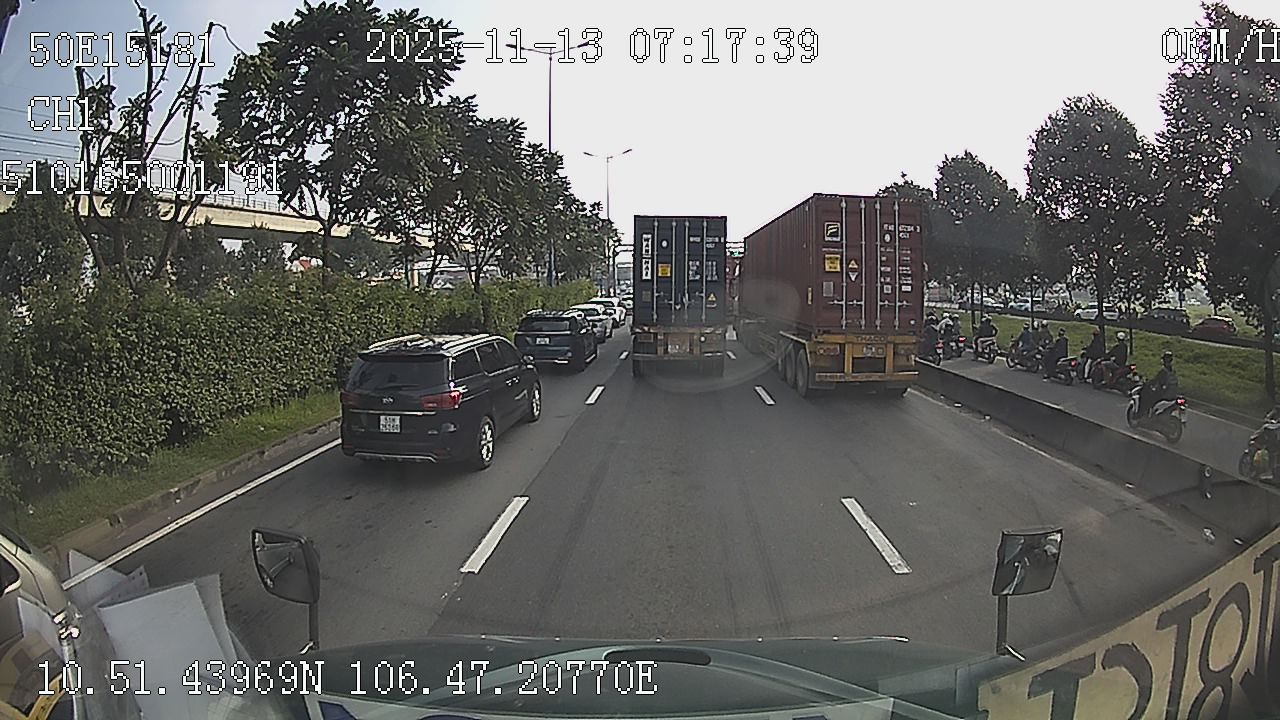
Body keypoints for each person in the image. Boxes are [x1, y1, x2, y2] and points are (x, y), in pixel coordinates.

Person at [1137, 350, 1179, 418]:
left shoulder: (1164, 371)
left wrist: (1148, 383)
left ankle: (1143, 415)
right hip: (1173, 394)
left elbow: (1155, 381)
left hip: (1164, 394)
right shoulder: (1173, 371)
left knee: (1146, 396)